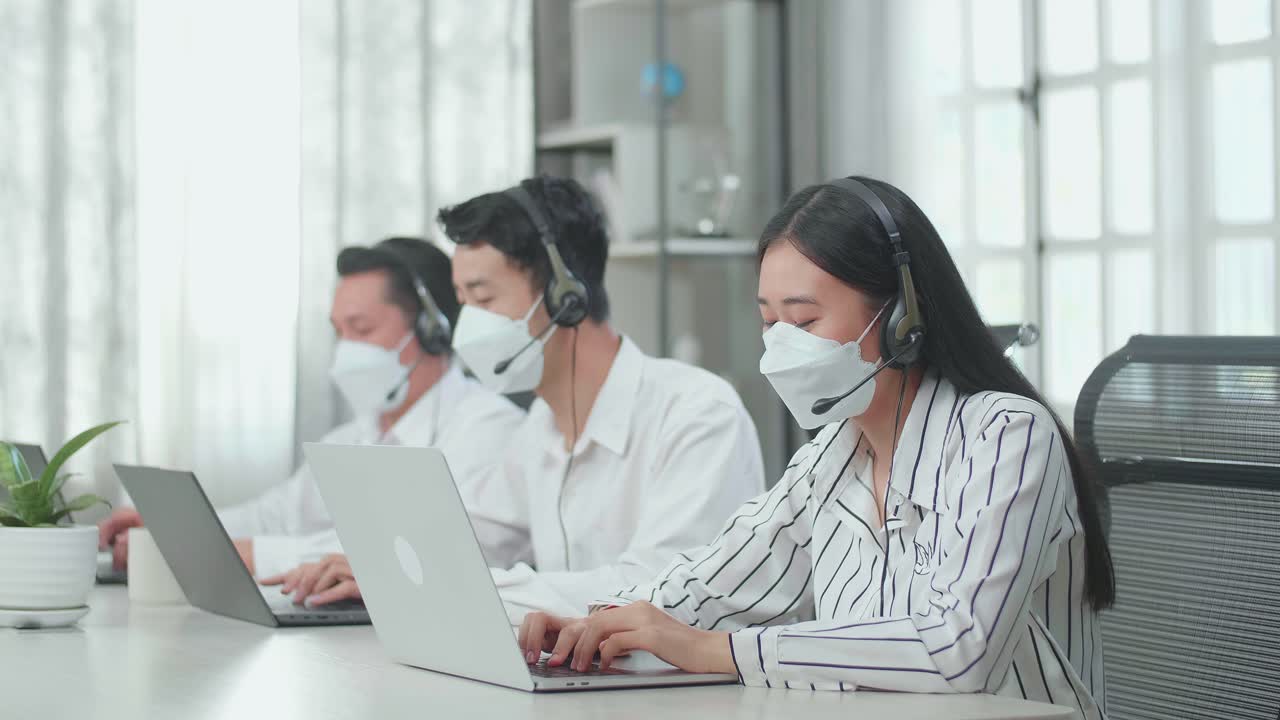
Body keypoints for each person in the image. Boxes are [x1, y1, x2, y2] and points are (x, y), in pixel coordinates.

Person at [517, 177, 1113, 718]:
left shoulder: (1004, 435)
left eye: (802, 324)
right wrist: (595, 625)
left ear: (903, 317)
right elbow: (708, 586)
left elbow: (958, 648)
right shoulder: (829, 459)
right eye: (768, 322)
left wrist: (715, 650)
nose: (779, 348)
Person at [277, 176, 766, 619]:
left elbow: (654, 590)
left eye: (484, 299)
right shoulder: (540, 428)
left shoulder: (696, 412)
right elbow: (471, 538)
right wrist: (380, 569)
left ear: (564, 295)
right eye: (462, 303)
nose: (468, 325)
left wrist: (453, 587)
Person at [98, 237, 525, 580]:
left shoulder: (489, 428)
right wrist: (174, 531)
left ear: (432, 332)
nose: (347, 349)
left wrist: (242, 555)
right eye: (339, 332)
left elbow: (431, 551)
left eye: (362, 329)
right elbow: (276, 516)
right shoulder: (356, 434)